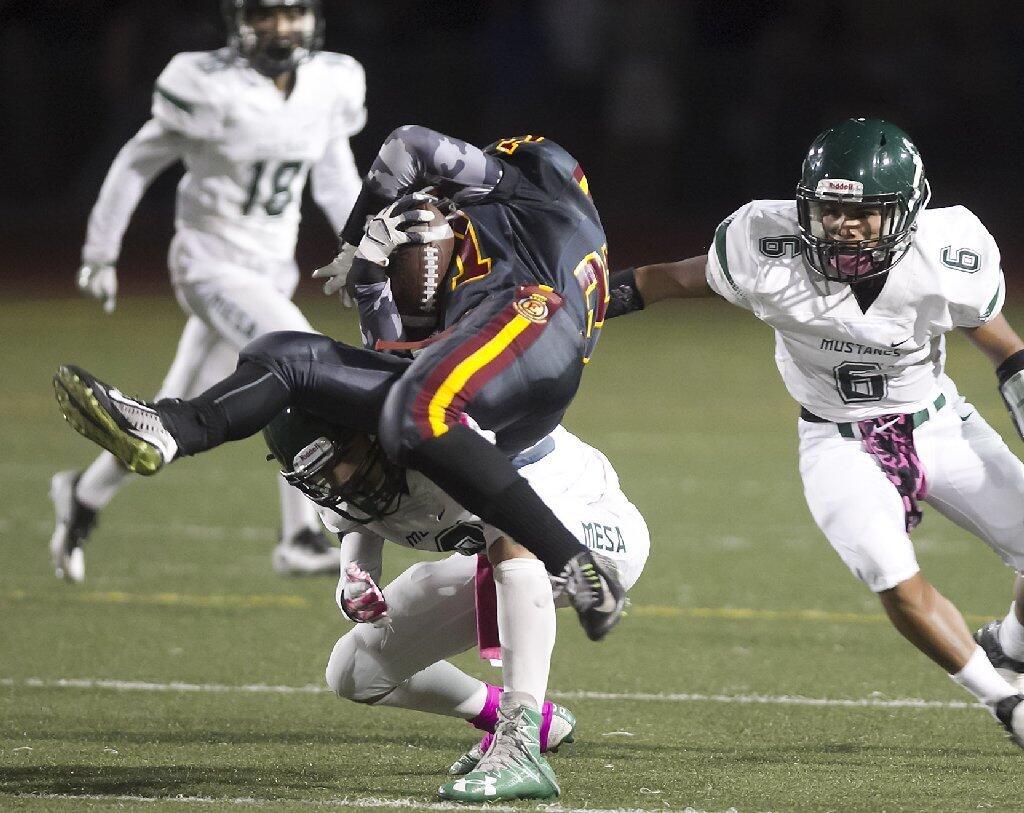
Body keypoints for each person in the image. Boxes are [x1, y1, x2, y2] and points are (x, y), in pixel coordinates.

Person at [52, 126, 628, 644]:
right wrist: (375, 280)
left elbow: (411, 146)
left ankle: (577, 566)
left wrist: (355, 242)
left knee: (412, 413)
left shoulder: (532, 209)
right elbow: (391, 354)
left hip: (528, 336)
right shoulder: (493, 261)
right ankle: (174, 428)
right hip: (474, 385)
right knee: (287, 355)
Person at [605, 117, 1024, 746]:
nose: (842, 228)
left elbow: (1006, 351)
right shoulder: (764, 246)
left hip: (940, 423)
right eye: (828, 210)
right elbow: (657, 282)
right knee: (890, 573)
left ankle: (1011, 643)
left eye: (864, 214)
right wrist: (563, 309)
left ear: (909, 211)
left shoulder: (948, 254)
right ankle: (1006, 701)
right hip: (838, 440)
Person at [50, 0, 365, 582]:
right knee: (302, 356)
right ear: (240, 21)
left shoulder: (329, 82)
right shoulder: (206, 83)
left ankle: (83, 495)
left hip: (269, 269)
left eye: (292, 13)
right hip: (210, 266)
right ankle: (297, 534)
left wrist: (368, 249)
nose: (281, 28)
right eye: (267, 15)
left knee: (174, 407)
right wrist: (101, 251)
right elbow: (136, 163)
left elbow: (334, 175)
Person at [260, 406, 649, 800]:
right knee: (353, 672)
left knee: (513, 529)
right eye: (318, 476)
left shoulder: (444, 436)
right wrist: (354, 590)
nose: (336, 483)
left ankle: (521, 740)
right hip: (503, 558)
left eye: (341, 461)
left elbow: (523, 513)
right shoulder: (342, 483)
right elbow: (356, 553)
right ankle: (515, 718)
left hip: (591, 535)